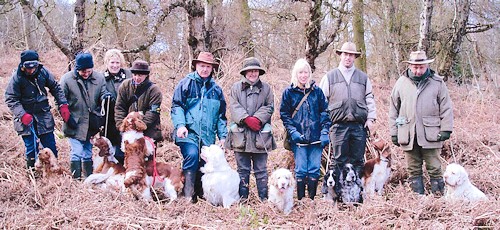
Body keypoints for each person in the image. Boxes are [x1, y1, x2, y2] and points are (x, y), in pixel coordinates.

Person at [389, 50, 453, 195]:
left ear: (426, 66)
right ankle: (418, 200)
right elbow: (393, 109)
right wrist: (394, 133)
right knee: (413, 169)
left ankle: (438, 198)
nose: (418, 70)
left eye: (421, 67)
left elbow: (446, 107)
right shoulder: (401, 82)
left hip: (431, 134)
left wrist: (446, 129)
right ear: (410, 66)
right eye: (415, 67)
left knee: (435, 168)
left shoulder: (437, 83)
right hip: (408, 135)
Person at [319, 42, 377, 193]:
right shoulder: (329, 77)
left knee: (358, 160)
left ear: (355, 57)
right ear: (340, 55)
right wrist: (325, 123)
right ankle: (337, 192)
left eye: (351, 55)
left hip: (359, 125)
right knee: (338, 160)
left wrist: (370, 119)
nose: (348, 57)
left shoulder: (363, 78)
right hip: (337, 126)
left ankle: (356, 193)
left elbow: (369, 98)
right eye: (345, 54)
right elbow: (321, 100)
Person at [171, 52, 228, 202]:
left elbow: (221, 116)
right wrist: (180, 125)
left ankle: (202, 194)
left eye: (208, 67)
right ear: (196, 66)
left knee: (206, 162)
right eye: (202, 66)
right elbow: (176, 107)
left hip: (207, 136)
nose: (205, 69)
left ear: (212, 69)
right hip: (188, 133)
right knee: (193, 155)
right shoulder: (186, 84)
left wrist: (223, 137)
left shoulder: (216, 90)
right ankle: (187, 195)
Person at [5, 50, 70, 170]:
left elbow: (55, 87)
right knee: (32, 147)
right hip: (24, 117)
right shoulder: (16, 78)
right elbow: (10, 99)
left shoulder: (43, 71)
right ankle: (32, 174)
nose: (31, 70)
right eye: (28, 67)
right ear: (22, 66)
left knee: (50, 146)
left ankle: (53, 172)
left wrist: (63, 104)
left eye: (33, 67)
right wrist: (22, 114)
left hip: (43, 114)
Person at [225, 57, 276, 201]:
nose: (253, 73)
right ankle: (243, 199)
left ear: (259, 72)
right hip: (240, 136)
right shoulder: (235, 88)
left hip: (261, 136)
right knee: (242, 170)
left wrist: (258, 119)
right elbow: (233, 106)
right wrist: (246, 119)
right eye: (250, 71)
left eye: (255, 70)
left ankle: (263, 198)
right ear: (244, 72)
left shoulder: (266, 88)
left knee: (261, 170)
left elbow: (270, 107)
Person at [280, 58, 330, 200]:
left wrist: (325, 131)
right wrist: (292, 131)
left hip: (316, 138)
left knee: (314, 170)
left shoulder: (317, 92)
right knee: (301, 170)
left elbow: (325, 112)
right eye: (300, 72)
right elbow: (284, 114)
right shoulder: (288, 93)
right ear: (296, 73)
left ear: (310, 73)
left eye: (306, 72)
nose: (303, 75)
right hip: (299, 138)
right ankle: (301, 200)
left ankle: (312, 200)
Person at [60, 52, 111, 179]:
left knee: (87, 153)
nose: (86, 74)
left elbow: (103, 93)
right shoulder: (67, 79)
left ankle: (88, 178)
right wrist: (66, 116)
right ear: (77, 69)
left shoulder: (99, 78)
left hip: (92, 123)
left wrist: (106, 97)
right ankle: (76, 181)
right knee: (76, 152)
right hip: (73, 122)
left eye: (89, 71)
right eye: (83, 71)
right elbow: (60, 99)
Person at [115, 59, 163, 143]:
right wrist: (121, 126)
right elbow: (119, 107)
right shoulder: (125, 86)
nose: (137, 78)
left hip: (149, 129)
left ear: (146, 75)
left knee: (148, 155)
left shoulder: (154, 90)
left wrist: (138, 126)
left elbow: (153, 112)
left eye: (140, 75)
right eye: (135, 74)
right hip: (128, 129)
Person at [102, 49, 132, 165]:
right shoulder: (101, 78)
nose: (115, 66)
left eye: (117, 63)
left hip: (126, 115)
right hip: (109, 118)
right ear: (107, 63)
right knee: (112, 148)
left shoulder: (128, 75)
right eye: (112, 63)